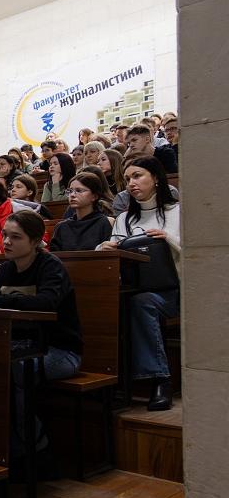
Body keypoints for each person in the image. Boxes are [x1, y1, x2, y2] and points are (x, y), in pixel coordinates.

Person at [0, 211, 82, 457]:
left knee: (17, 368)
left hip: (59, 351)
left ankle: (32, 447)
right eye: (5, 235)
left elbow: (47, 303)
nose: (6, 242)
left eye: (15, 237)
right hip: (19, 347)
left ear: (35, 241)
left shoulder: (50, 266)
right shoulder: (6, 269)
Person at [97, 157, 179, 411]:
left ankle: (160, 380)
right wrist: (104, 247)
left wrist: (168, 238)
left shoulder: (178, 212)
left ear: (156, 178)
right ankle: (108, 382)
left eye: (137, 176)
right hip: (133, 288)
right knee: (110, 304)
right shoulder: (124, 218)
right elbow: (114, 251)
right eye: (127, 178)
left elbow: (200, 254)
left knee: (141, 302)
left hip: (173, 291)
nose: (131, 183)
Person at [49, 172, 113, 251]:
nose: (72, 195)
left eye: (79, 190)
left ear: (94, 196)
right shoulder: (61, 227)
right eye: (70, 191)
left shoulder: (105, 223)